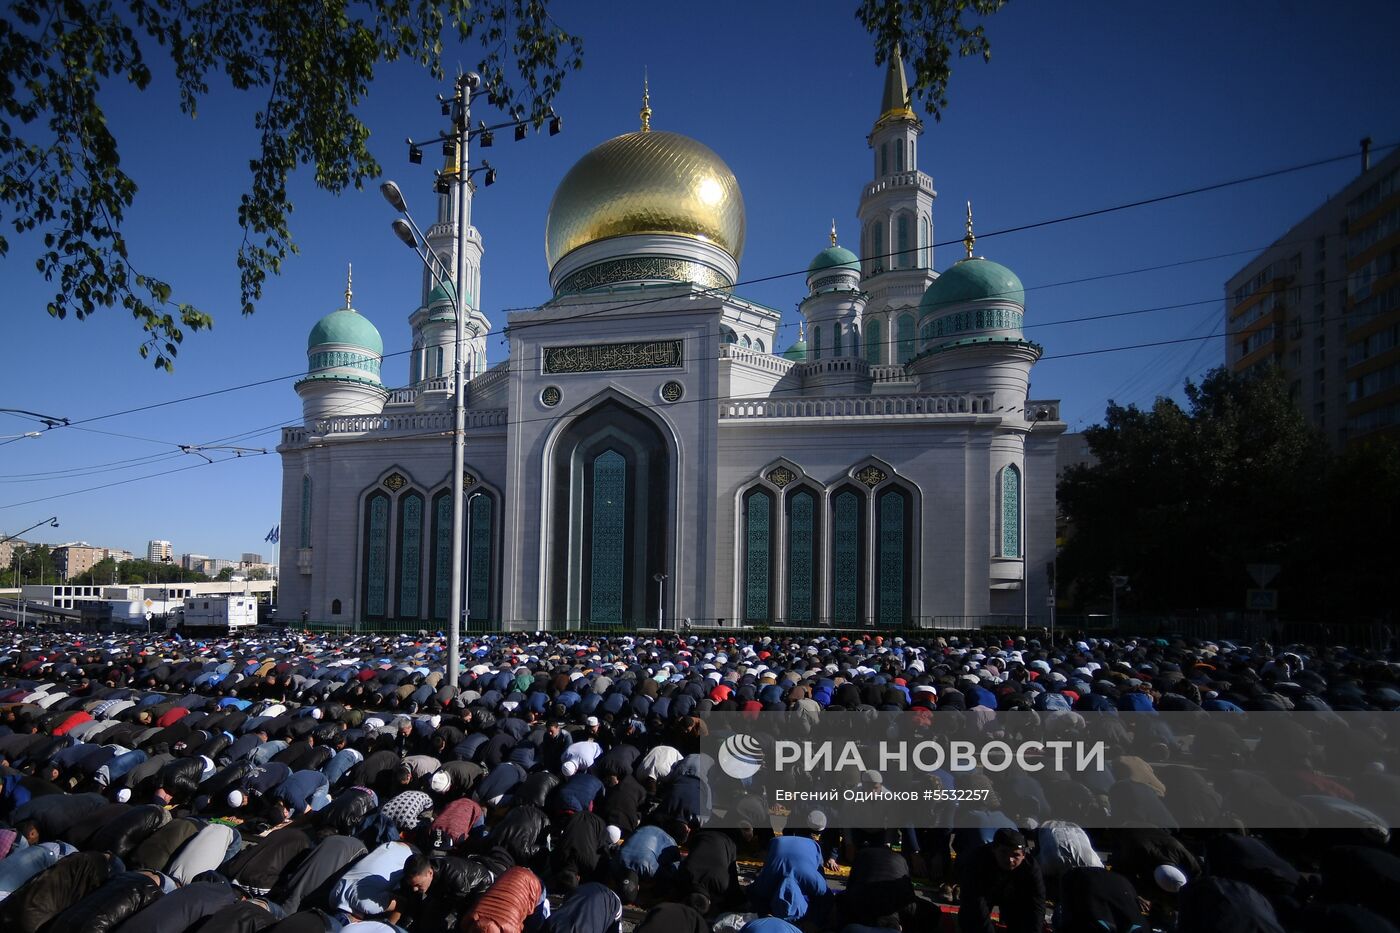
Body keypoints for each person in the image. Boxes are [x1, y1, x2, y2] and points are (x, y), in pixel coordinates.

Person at [957, 828, 1045, 933]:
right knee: (970, 921)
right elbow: (974, 902)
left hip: (1013, 897)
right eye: (1004, 852)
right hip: (985, 892)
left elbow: (1037, 904)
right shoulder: (977, 860)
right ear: (994, 849)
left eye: (1016, 855)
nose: (1010, 859)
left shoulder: (1031, 868)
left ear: (1023, 855)